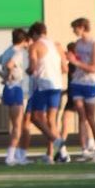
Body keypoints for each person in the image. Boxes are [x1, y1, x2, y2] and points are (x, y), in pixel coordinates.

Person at [24, 22, 66, 163]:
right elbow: (65, 68)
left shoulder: (35, 46)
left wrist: (27, 71)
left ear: (35, 34)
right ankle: (56, 154)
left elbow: (33, 67)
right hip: (57, 85)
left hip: (42, 85)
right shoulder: (57, 46)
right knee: (51, 120)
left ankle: (56, 141)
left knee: (35, 117)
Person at [0, 29, 30, 165]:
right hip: (15, 87)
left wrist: (3, 76)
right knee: (18, 126)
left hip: (8, 88)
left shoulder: (8, 50)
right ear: (24, 40)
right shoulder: (18, 52)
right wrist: (7, 76)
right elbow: (9, 65)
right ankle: (10, 156)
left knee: (16, 125)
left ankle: (17, 155)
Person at [65, 18, 95, 159]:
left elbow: (93, 68)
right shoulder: (77, 44)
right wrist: (70, 60)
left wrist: (76, 62)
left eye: (75, 28)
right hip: (77, 83)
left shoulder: (94, 44)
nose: (74, 31)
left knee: (91, 117)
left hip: (90, 84)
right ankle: (84, 149)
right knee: (81, 116)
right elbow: (76, 62)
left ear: (82, 27)